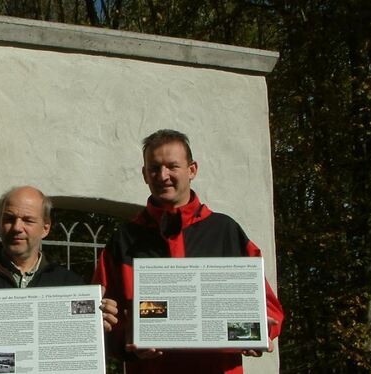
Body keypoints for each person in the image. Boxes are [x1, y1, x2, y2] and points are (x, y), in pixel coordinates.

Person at [93, 129, 284, 374]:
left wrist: (254, 332)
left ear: (192, 170)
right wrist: (127, 345)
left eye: (172, 166)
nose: (163, 176)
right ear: (144, 174)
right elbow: (101, 319)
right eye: (154, 168)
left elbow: (267, 307)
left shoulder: (225, 231)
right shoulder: (124, 240)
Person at [0, 186, 118, 359]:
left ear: (45, 228)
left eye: (28, 220)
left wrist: (100, 324)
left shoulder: (70, 285)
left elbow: (89, 352)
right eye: (9, 218)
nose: (17, 227)